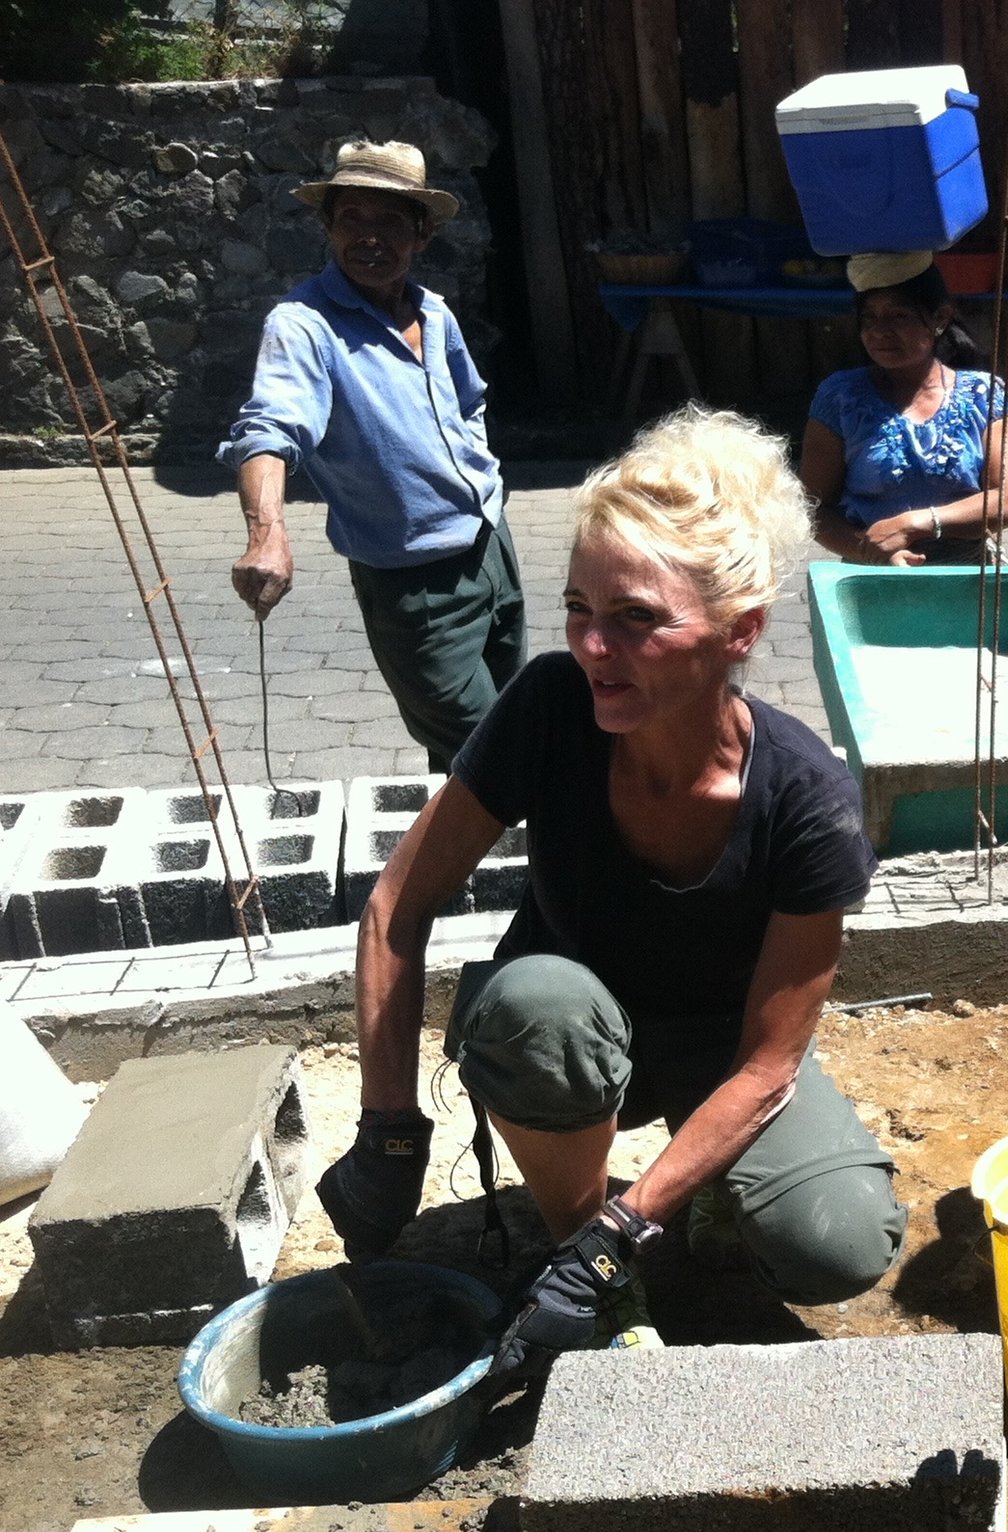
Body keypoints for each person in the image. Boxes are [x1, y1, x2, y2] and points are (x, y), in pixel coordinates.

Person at [313, 407, 907, 1366]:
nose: (594, 646)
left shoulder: (808, 801)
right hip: (572, 1031)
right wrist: (387, 1127)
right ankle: (592, 1256)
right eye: (581, 609)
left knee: (837, 1242)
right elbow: (396, 909)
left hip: (722, 1052)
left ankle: (653, 1217)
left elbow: (766, 1067)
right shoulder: (550, 708)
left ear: (738, 630)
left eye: (636, 619)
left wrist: (624, 1226)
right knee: (538, 1003)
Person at [221, 140, 523, 771]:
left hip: (491, 548)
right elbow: (270, 429)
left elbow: (470, 401)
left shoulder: (434, 313)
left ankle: (478, 867)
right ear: (329, 227)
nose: (369, 236)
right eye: (352, 217)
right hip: (411, 583)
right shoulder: (303, 326)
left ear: (422, 233)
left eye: (389, 220)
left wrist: (476, 473)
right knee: (497, 751)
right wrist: (266, 535)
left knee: (487, 737)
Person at [799, 252, 1008, 566]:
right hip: (872, 577)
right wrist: (870, 549)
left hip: (971, 578)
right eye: (869, 319)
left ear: (940, 319)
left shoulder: (983, 394)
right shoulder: (840, 397)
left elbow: (1005, 503)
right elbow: (815, 509)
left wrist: (912, 524)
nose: (879, 331)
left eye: (898, 316)